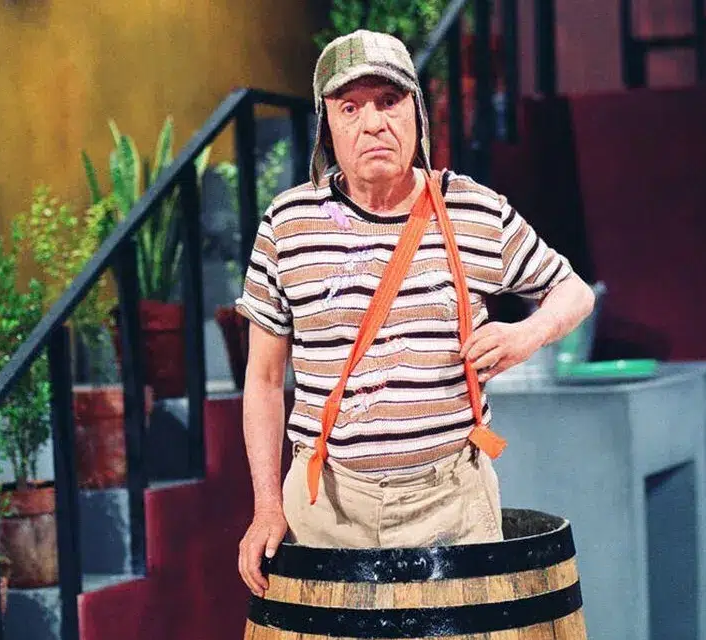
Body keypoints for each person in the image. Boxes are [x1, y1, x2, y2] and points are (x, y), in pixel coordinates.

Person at [235, 29, 595, 596]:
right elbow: (261, 380)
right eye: (350, 107)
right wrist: (266, 506)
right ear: (327, 126)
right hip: (326, 507)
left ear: (417, 114)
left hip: (451, 505)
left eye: (389, 101)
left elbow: (573, 291)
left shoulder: (472, 209)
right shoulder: (288, 224)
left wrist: (527, 334)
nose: (372, 123)